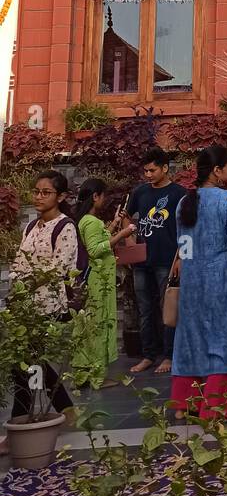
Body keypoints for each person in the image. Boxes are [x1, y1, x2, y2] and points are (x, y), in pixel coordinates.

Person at [170, 145, 227, 421]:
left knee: (191, 339)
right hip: (220, 281)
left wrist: (187, 272)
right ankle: (218, 405)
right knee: (222, 340)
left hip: (192, 282)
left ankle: (186, 404)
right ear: (217, 171)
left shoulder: (184, 202)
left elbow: (183, 247)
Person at [5, 172, 78, 430]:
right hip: (26, 305)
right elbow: (20, 262)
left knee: (26, 362)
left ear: (61, 196)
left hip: (49, 305)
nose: (38, 197)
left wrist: (29, 281)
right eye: (36, 191)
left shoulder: (65, 226)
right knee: (26, 362)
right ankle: (61, 408)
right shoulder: (31, 227)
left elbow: (58, 268)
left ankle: (20, 422)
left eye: (45, 192)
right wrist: (18, 284)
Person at [125, 147, 186, 375]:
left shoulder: (179, 194)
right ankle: (148, 355)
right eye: (146, 171)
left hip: (167, 260)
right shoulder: (140, 192)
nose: (148, 175)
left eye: (152, 170)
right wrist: (130, 240)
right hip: (142, 260)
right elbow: (127, 218)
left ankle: (170, 355)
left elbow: (188, 228)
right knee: (145, 309)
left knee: (167, 307)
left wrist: (181, 256)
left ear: (165, 168)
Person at [72, 177, 134, 390]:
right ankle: (97, 376)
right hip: (99, 281)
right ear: (95, 196)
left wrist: (115, 224)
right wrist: (123, 234)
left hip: (97, 279)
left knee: (89, 326)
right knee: (99, 325)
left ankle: (84, 375)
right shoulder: (90, 222)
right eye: (103, 195)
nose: (105, 200)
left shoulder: (87, 221)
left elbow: (99, 239)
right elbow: (96, 249)